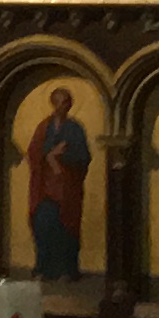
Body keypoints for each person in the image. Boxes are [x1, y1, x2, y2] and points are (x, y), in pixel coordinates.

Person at [24, 85, 92, 280]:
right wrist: (50, 155)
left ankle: (66, 270)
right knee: (43, 224)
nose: (61, 106)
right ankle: (43, 268)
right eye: (58, 102)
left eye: (65, 102)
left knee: (65, 228)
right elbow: (33, 152)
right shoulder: (44, 126)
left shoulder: (75, 128)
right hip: (45, 188)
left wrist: (63, 157)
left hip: (67, 188)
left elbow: (83, 157)